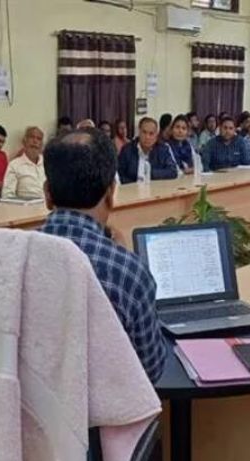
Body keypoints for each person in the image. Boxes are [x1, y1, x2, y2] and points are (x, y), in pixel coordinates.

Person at [40, 128, 168, 383]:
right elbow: (150, 370)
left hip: (29, 416)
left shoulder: (11, 255)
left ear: (47, 193)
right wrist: (121, 256)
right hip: (101, 419)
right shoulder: (128, 271)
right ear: (111, 193)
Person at [117, 117, 179, 184]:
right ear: (139, 132)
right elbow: (119, 174)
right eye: (144, 132)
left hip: (156, 190)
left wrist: (148, 173)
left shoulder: (162, 149)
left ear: (156, 136)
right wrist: (134, 184)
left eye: (151, 134)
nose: (147, 137)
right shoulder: (127, 150)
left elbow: (173, 172)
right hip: (132, 190)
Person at [1, 126, 45, 200]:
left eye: (39, 139)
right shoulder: (14, 165)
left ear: (41, 145)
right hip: (25, 207)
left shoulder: (48, 163)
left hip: (49, 207)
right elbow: (7, 195)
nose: (35, 141)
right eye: (32, 137)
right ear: (24, 141)